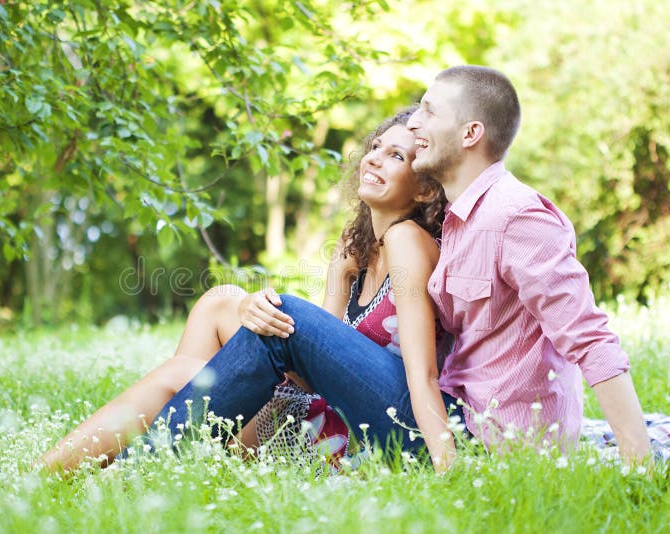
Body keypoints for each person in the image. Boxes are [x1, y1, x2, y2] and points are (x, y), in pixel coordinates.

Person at [38, 107, 460, 474]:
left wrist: (446, 463)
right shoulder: (360, 250)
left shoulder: (408, 240)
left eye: (396, 156)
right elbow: (315, 366)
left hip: (355, 437)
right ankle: (178, 449)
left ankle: (59, 475)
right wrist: (325, 282)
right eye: (376, 147)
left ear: (424, 188)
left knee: (183, 377)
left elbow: (422, 374)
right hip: (328, 407)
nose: (374, 159)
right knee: (221, 301)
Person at [404, 65, 651, 462]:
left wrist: (640, 465)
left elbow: (588, 337)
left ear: (471, 133)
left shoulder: (515, 216)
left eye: (429, 112)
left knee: (293, 319)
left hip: (493, 435)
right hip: (455, 408)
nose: (413, 122)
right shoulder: (458, 219)